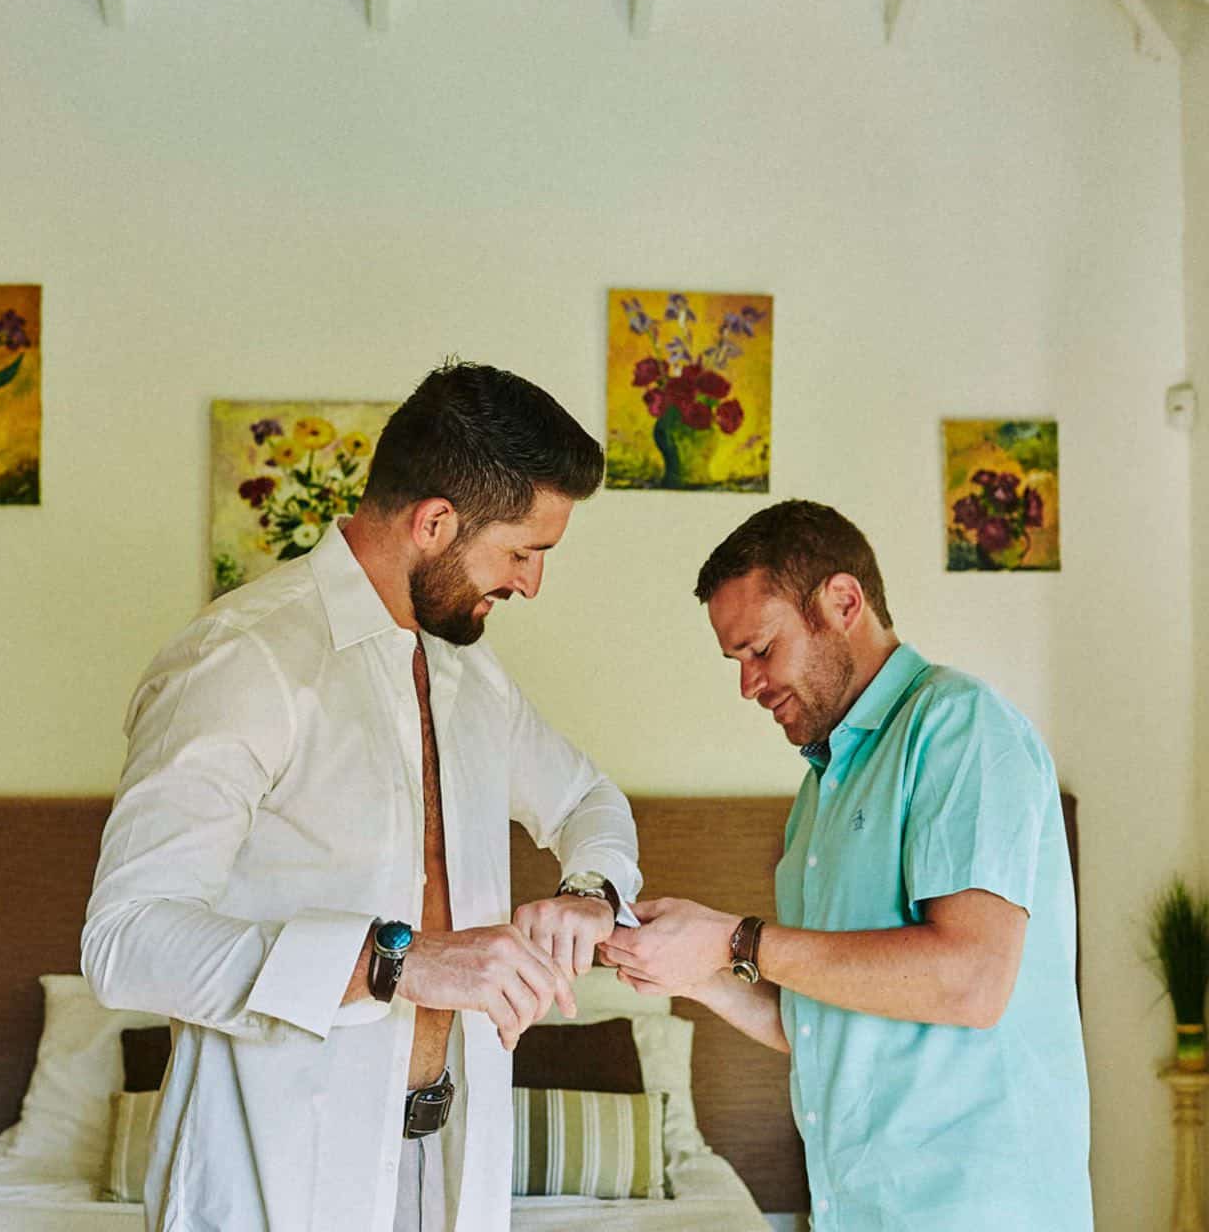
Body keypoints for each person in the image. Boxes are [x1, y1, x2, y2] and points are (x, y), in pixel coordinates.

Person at [83, 362, 641, 1232]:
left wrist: (590, 891)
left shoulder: (469, 672)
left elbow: (587, 799)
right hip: (274, 1176)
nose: (531, 584)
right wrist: (399, 962)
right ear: (435, 523)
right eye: (523, 552)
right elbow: (126, 941)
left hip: (450, 1170)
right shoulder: (243, 661)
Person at [601, 500, 1090, 1232]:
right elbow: (823, 1023)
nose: (748, 685)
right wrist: (692, 971)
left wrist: (736, 940)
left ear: (843, 603)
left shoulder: (958, 726)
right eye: (737, 662)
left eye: (761, 650)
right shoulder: (820, 792)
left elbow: (971, 980)